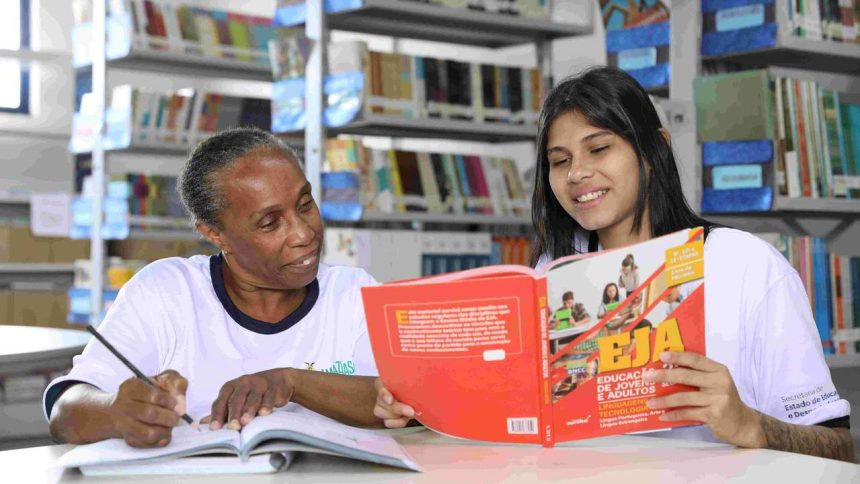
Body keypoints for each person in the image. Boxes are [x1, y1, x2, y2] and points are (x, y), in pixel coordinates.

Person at [375, 67, 855, 463]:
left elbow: (839, 448)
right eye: (558, 160)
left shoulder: (745, 264)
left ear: (654, 149)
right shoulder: (551, 273)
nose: (577, 174)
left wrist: (748, 424)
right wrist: (425, 406)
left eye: (599, 149)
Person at [45, 127, 383, 448]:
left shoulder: (354, 293)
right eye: (270, 223)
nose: (303, 233)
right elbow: (66, 411)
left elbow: (402, 403)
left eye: (305, 204)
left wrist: (291, 382)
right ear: (214, 234)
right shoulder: (166, 293)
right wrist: (116, 412)